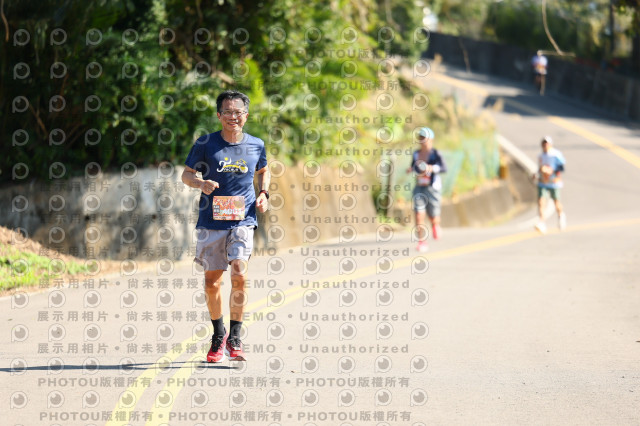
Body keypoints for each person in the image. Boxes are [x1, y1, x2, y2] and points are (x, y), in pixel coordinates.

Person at [181, 90, 270, 362]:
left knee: (240, 273)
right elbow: (186, 174)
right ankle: (218, 334)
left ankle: (235, 337)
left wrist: (264, 193)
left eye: (238, 112)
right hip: (212, 221)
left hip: (243, 219)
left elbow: (263, 170)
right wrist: (201, 183)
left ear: (246, 115)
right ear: (219, 115)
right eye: (228, 112)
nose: (233, 116)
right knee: (212, 282)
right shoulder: (206, 144)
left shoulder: (256, 144)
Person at [406, 127, 447, 252]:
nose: (422, 140)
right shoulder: (416, 154)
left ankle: (435, 225)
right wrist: (411, 169)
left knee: (433, 216)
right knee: (419, 215)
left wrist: (431, 168)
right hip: (419, 187)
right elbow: (414, 166)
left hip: (432, 188)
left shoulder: (435, 154)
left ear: (431, 139)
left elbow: (443, 168)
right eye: (420, 138)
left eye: (425, 138)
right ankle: (422, 242)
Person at [534, 136, 566, 233]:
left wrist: (552, 170)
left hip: (553, 182)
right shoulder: (540, 156)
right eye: (543, 144)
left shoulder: (556, 154)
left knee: (556, 201)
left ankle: (561, 216)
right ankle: (542, 222)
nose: (545, 145)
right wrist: (536, 174)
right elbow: (540, 168)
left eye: (547, 143)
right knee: (541, 201)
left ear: (550, 144)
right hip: (543, 181)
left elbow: (561, 167)